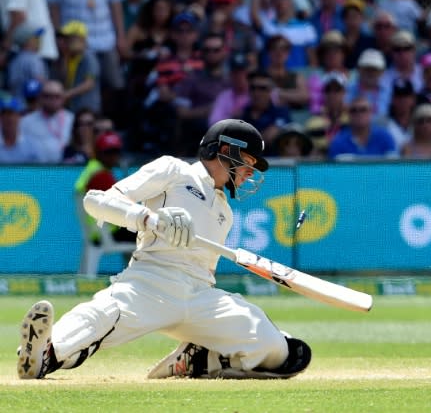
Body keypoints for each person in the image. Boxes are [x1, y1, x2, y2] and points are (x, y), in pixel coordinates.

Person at [17, 119, 311, 380]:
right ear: (224, 150)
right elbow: (96, 202)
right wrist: (149, 219)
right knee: (102, 315)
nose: (250, 171)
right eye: (247, 160)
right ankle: (45, 353)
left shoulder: (226, 212)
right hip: (149, 283)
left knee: (281, 351)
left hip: (201, 295)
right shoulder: (173, 170)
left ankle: (200, 359)